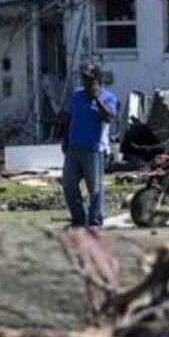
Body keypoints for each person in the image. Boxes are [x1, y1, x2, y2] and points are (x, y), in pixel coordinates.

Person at [62, 63, 117, 227]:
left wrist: (97, 99)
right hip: (73, 148)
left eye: (89, 79)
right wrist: (65, 139)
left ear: (97, 79)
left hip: (93, 149)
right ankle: (79, 218)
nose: (85, 82)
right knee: (69, 186)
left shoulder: (108, 97)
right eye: (84, 78)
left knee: (95, 189)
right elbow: (68, 118)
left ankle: (94, 220)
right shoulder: (76, 96)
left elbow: (109, 117)